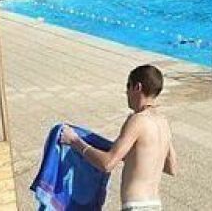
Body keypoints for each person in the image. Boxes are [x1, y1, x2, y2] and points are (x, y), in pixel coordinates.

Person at [58, 65, 177, 211]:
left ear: (137, 87)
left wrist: (75, 141)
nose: (126, 92)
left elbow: (107, 164)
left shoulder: (137, 120)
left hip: (136, 206)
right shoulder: (163, 122)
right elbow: (171, 167)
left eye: (128, 86)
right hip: (155, 205)